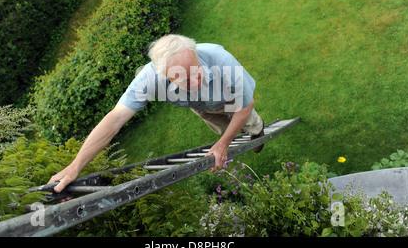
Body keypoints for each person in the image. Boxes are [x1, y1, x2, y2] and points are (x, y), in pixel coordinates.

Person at [48, 34, 264, 193]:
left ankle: (257, 132)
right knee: (224, 128)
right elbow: (114, 119)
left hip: (228, 98)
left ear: (196, 53)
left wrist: (224, 143)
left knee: (247, 120)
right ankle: (234, 134)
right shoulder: (150, 79)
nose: (197, 81)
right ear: (166, 78)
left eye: (197, 71)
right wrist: (75, 166)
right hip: (201, 107)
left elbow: (244, 105)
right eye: (185, 80)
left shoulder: (220, 59)